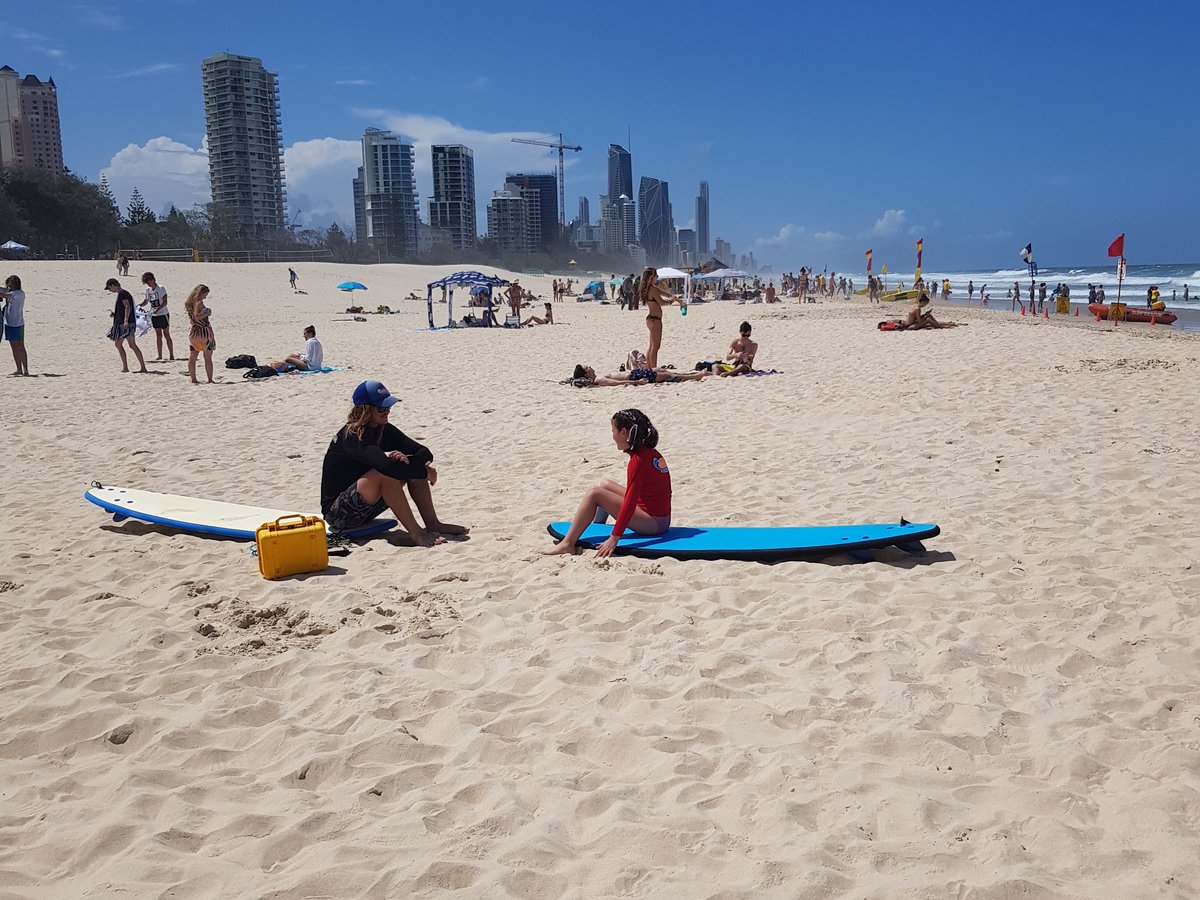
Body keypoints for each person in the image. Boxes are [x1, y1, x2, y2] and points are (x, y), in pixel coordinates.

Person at [321, 380, 467, 547]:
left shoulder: (383, 428)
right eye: (382, 408)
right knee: (388, 473)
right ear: (366, 409)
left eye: (388, 407)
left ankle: (433, 523)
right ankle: (417, 533)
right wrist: (424, 472)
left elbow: (424, 452)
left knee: (409, 465)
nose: (387, 412)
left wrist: (411, 462)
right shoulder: (353, 436)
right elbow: (386, 468)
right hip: (337, 514)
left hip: (365, 507)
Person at [545, 408, 671, 558]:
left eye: (613, 431)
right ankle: (599, 527)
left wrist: (614, 538)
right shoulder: (650, 452)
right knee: (605, 484)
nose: (612, 436)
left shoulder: (638, 461)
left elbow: (630, 502)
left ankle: (567, 545)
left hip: (654, 524)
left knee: (595, 494)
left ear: (623, 432)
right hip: (659, 515)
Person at [638, 267, 685, 369]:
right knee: (655, 347)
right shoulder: (652, 288)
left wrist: (676, 299)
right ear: (652, 277)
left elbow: (665, 293)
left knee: (651, 346)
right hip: (655, 320)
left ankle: (649, 368)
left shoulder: (649, 288)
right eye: (656, 276)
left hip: (651, 319)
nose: (657, 278)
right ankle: (654, 370)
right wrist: (671, 301)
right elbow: (662, 302)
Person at [105, 278, 149, 373]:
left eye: (109, 288)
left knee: (119, 344)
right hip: (129, 322)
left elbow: (127, 306)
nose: (110, 290)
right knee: (132, 345)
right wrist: (116, 314)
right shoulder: (124, 293)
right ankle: (142, 367)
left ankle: (126, 367)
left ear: (113, 285)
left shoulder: (122, 293)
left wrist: (125, 320)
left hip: (126, 324)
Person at [138, 272, 174, 361]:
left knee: (166, 334)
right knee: (158, 335)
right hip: (154, 315)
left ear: (153, 280)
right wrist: (138, 306)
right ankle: (160, 355)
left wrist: (158, 309)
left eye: (149, 281)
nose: (148, 284)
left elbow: (165, 302)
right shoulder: (148, 290)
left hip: (163, 314)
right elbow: (146, 301)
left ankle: (171, 354)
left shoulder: (161, 288)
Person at [184, 283, 216, 384]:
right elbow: (197, 316)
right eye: (205, 295)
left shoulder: (188, 303)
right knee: (207, 357)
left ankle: (193, 379)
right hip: (204, 332)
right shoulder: (199, 303)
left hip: (193, 333)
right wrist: (208, 312)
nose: (205, 297)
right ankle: (210, 379)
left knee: (193, 356)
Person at [571, 364, 708, 386]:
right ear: (586, 374)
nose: (590, 367)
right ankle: (694, 377)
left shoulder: (598, 377)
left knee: (661, 370)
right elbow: (616, 383)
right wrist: (636, 382)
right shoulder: (598, 379)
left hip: (634, 374)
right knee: (665, 375)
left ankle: (691, 375)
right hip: (634, 377)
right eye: (586, 367)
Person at [0, 275, 28, 376]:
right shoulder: (11, 292)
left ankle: (25, 369)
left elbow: (5, 295)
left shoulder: (19, 294)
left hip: (18, 324)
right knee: (13, 346)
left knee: (20, 346)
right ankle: (18, 369)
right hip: (9, 323)